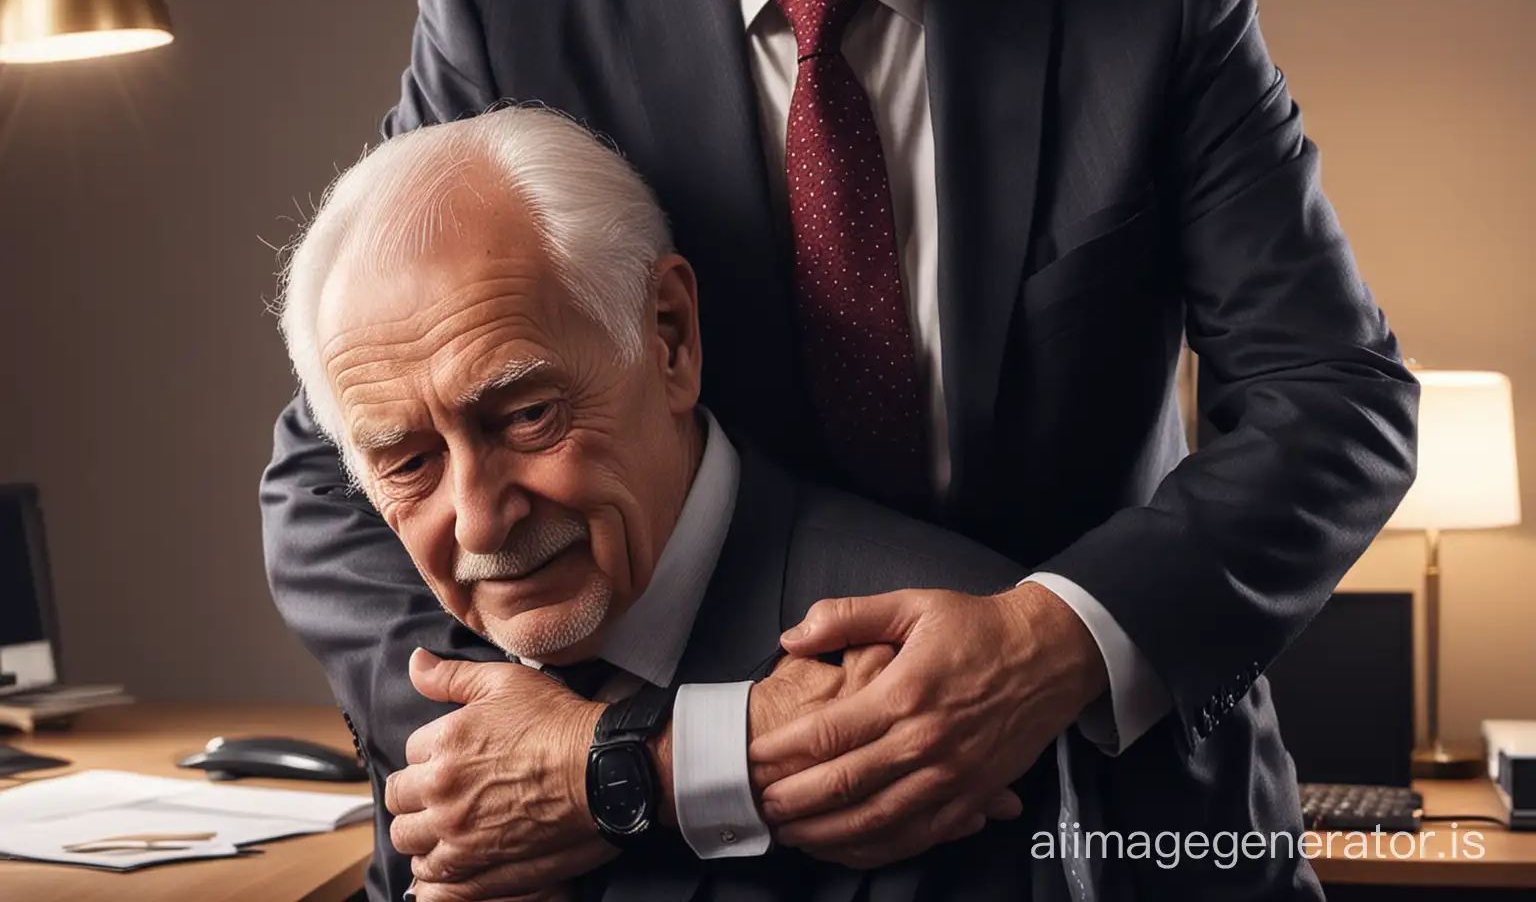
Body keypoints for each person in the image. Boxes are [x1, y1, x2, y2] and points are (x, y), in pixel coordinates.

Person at [261, 0, 1418, 902]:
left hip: (1134, 815)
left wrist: (1054, 641)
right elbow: (334, 466)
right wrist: (626, 759)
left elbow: (1337, 400)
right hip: (702, 842)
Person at [277, 104, 1317, 901]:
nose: (479, 522)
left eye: (527, 416)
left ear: (672, 339)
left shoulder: (941, 687)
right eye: (406, 462)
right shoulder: (446, 685)